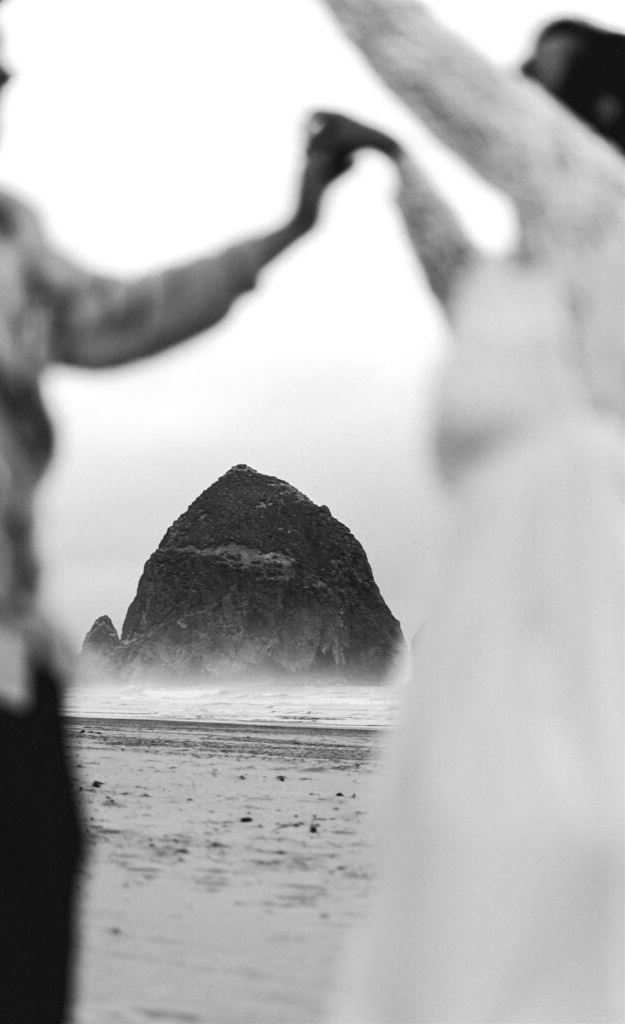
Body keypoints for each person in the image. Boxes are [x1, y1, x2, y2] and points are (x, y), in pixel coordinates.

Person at [0, 2, 350, 1021]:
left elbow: (118, 315)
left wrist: (289, 227)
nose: (5, 79)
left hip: (8, 653)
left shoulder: (3, 232)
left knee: (22, 965)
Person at [309, 2, 624, 1021]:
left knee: (546, 907)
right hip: (483, 646)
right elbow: (451, 263)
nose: (510, 85)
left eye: (537, 73)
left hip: (579, 625)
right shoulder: (519, 284)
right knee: (451, 936)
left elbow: (432, 66)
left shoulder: (609, 208)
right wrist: (398, 169)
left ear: (606, 109)